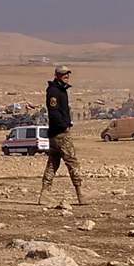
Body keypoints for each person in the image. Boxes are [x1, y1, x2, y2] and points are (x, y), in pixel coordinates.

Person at [39, 64, 85, 205]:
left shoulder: (60, 90)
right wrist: (64, 126)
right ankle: (81, 194)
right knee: (72, 161)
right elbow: (54, 112)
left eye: (68, 74)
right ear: (57, 75)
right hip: (60, 133)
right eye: (64, 74)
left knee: (53, 163)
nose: (67, 76)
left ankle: (45, 194)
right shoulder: (54, 91)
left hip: (55, 133)